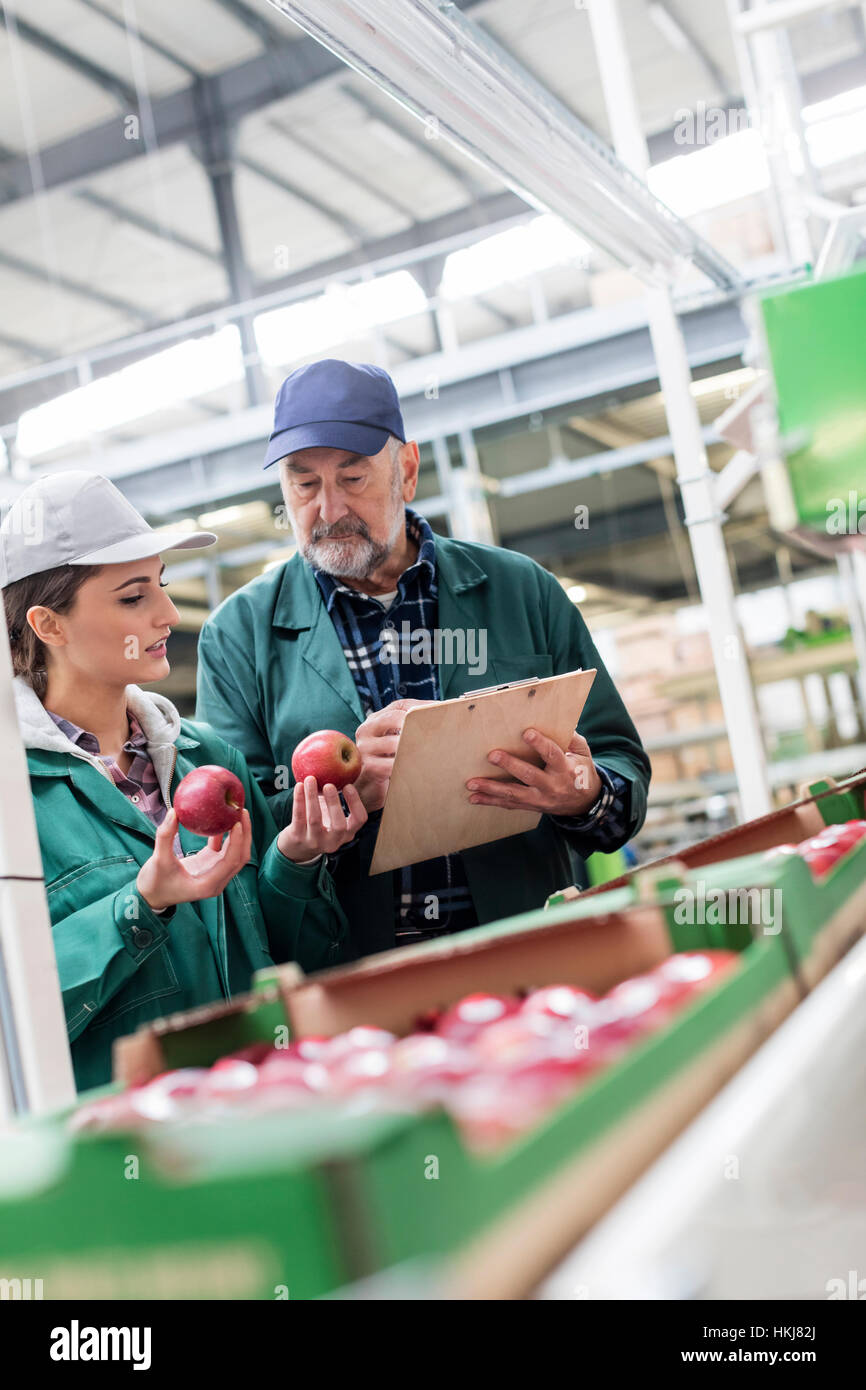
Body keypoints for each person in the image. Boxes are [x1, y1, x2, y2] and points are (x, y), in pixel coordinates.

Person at [196, 359, 651, 959]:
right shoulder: (237, 636)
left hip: (530, 951)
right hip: (353, 982)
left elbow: (623, 778)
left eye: (353, 478)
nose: (328, 510)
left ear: (406, 471)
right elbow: (232, 839)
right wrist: (341, 792)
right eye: (304, 484)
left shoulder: (522, 590)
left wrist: (585, 794)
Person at [1, 471, 365, 1092]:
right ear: (48, 624)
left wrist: (296, 861)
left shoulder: (206, 756)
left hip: (264, 1103)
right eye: (133, 596)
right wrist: (141, 905)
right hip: (133, 1148)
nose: (169, 613)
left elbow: (293, 956)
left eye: (162, 587)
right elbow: (20, 1020)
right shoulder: (14, 799)